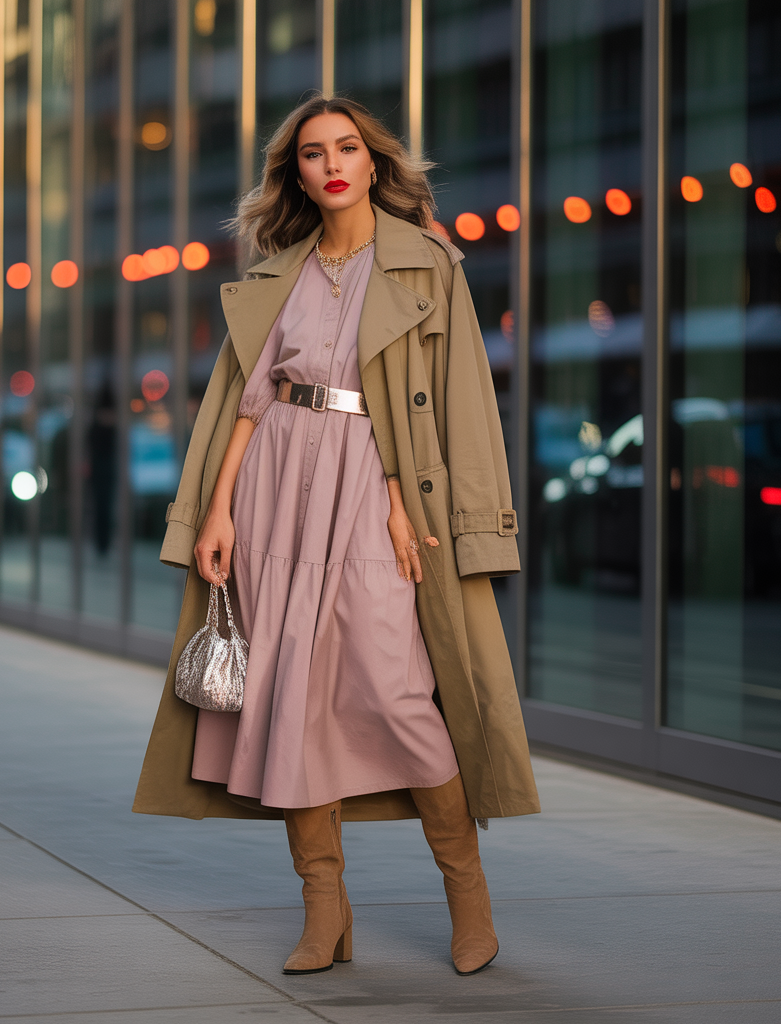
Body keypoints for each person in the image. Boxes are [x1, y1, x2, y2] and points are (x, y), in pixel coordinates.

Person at [133, 94, 539, 977]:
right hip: (275, 490)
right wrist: (218, 509)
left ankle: (469, 900)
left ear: (373, 159)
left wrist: (409, 498)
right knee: (288, 702)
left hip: (371, 490)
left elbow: (458, 396)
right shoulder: (283, 270)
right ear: (297, 174)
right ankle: (326, 911)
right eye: (312, 154)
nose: (332, 165)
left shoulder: (427, 264)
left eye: (346, 147)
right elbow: (249, 400)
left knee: (397, 692)